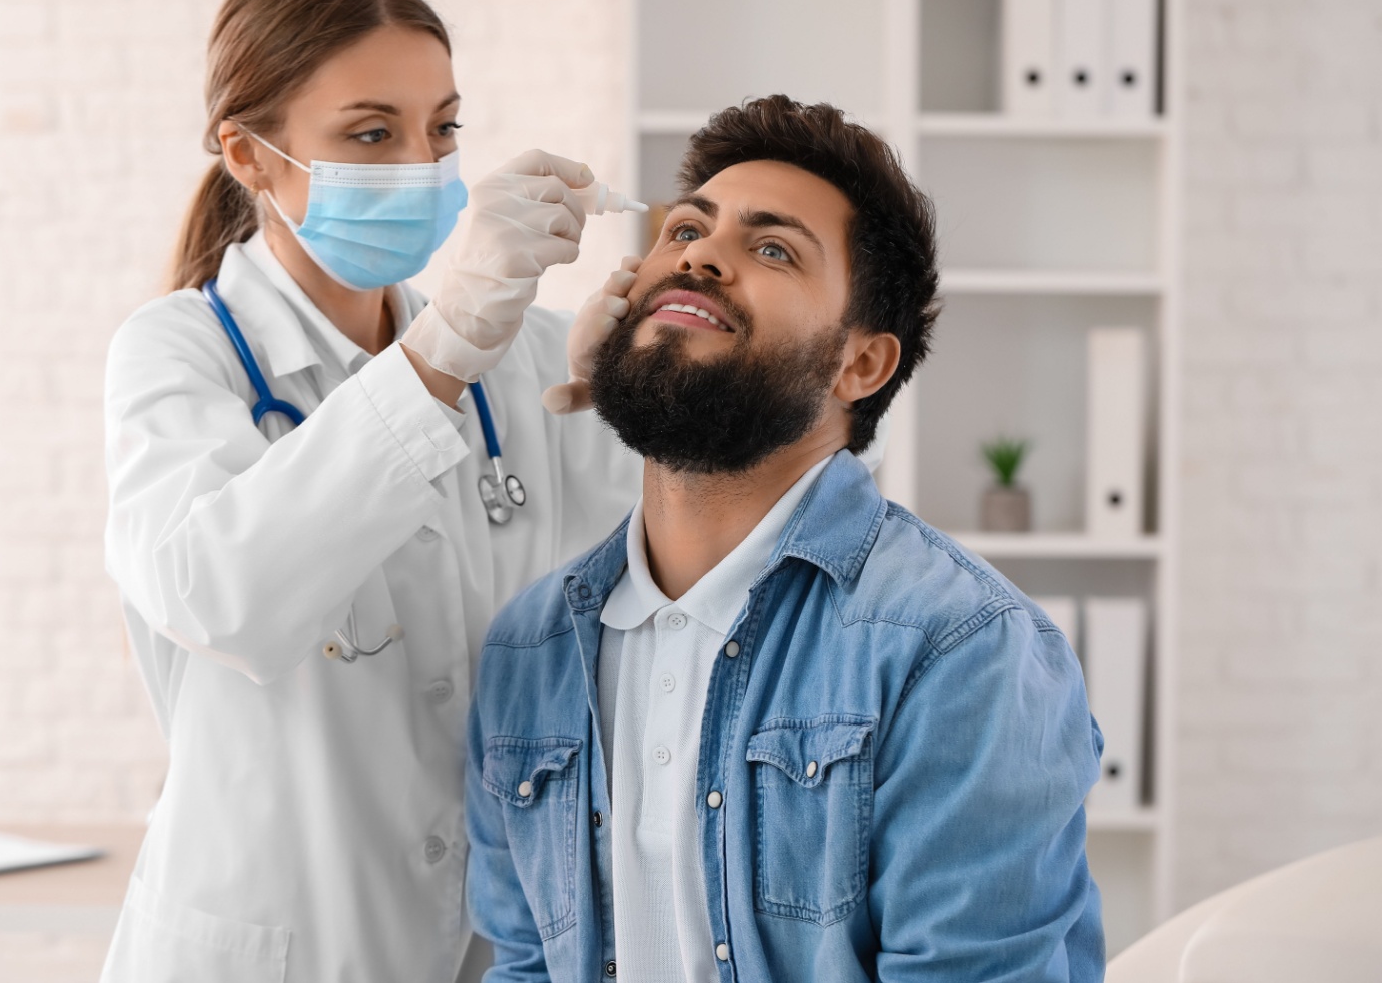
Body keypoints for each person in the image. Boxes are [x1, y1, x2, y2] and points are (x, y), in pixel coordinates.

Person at [466, 95, 1104, 982]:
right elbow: (527, 965)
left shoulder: (961, 650)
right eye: (684, 229)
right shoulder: (530, 647)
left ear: (861, 364)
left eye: (772, 249)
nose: (699, 255)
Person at [100, 0, 642, 983]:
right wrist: (439, 357)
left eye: (442, 129)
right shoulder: (177, 355)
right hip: (270, 951)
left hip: (485, 943)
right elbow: (224, 595)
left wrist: (649, 395)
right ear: (249, 156)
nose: (421, 166)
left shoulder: (516, 362)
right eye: (370, 134)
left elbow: (621, 622)